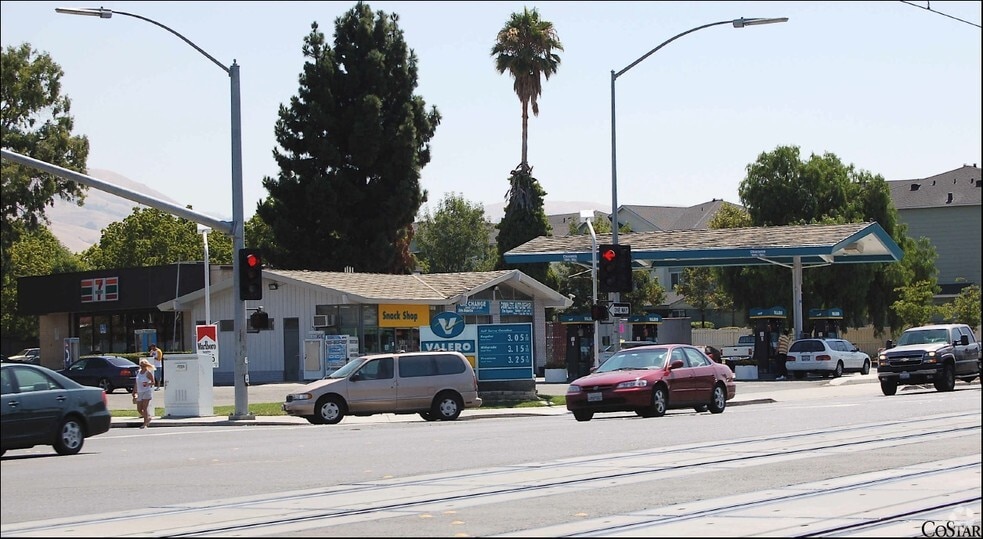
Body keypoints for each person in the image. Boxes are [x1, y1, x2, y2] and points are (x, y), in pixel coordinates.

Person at [133, 358, 156, 428]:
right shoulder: (139, 372)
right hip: (139, 392)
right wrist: (134, 391)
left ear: (146, 366)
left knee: (144, 408)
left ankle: (145, 423)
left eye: (143, 365)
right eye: (141, 365)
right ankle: (148, 417)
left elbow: (153, 382)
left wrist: (148, 384)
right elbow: (136, 383)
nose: (142, 367)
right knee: (139, 409)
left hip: (146, 391)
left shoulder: (148, 373)